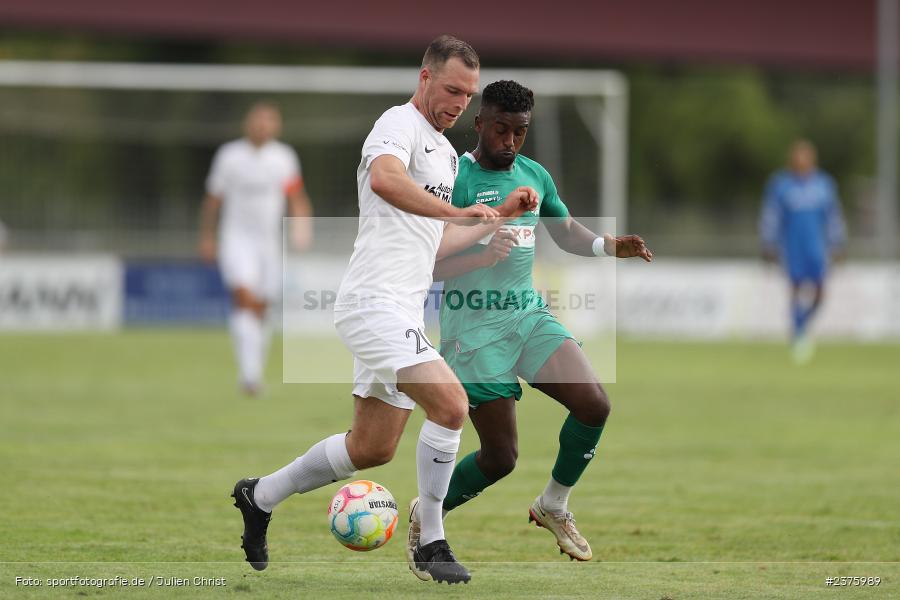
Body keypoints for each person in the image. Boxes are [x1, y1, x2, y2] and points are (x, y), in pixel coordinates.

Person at [231, 37, 537, 585]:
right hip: (373, 303)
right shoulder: (397, 123)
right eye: (450, 89)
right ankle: (432, 543)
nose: (459, 101)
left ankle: (261, 496)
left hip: (404, 309)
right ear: (424, 78)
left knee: (370, 448)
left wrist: (487, 224)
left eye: (468, 94)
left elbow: (429, 241)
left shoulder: (444, 153)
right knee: (451, 405)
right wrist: (457, 210)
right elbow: (385, 179)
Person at [411, 80, 652, 561]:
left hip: (527, 318)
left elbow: (564, 233)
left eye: (519, 132)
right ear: (479, 124)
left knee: (594, 404)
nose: (509, 142)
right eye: (500, 130)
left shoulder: (534, 175)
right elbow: (426, 264)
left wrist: (609, 247)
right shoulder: (451, 178)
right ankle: (427, 512)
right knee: (501, 458)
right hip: (472, 333)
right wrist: (479, 258)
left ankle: (553, 505)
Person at [199, 101, 314, 395]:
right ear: (247, 123)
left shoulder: (283, 157)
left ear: (276, 126)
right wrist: (207, 237)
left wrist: (302, 228)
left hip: (269, 243)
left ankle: (253, 372)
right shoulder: (229, 156)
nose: (263, 125)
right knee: (244, 296)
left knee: (263, 306)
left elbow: (296, 196)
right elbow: (213, 199)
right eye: (258, 120)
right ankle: (249, 376)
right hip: (236, 239)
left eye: (269, 120)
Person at [759, 139, 846, 363]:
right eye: (798, 156)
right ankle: (798, 336)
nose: (802, 161)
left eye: (805, 156)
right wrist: (768, 243)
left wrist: (838, 243)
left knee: (819, 293)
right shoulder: (781, 185)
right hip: (792, 248)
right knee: (795, 290)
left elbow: (833, 217)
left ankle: (801, 325)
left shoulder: (824, 184)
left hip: (817, 248)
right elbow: (771, 215)